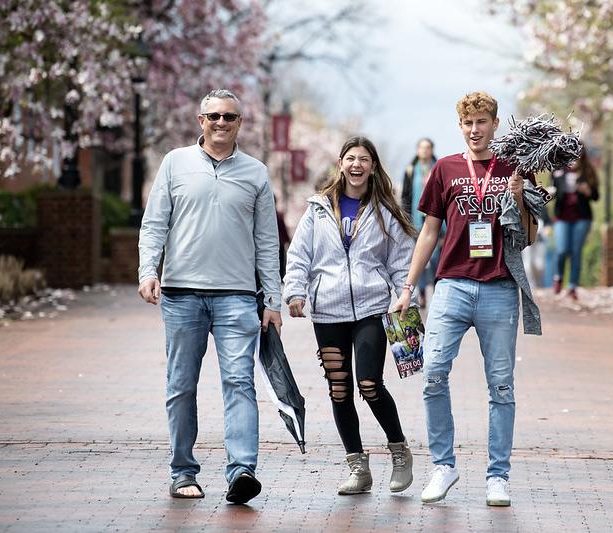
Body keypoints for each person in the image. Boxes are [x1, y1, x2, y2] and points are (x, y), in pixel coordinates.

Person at [137, 89, 282, 504]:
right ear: (201, 120)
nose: (221, 123)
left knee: (240, 382)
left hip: (237, 296)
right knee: (181, 384)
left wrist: (272, 298)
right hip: (182, 295)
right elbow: (154, 224)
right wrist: (149, 270)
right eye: (214, 116)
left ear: (240, 123)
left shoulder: (256, 172)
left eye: (230, 118)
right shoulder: (174, 163)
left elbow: (267, 241)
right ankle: (182, 471)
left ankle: (241, 472)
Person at [394, 91, 536, 507]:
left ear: (495, 124)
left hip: (499, 288)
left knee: (502, 386)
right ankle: (444, 465)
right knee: (433, 372)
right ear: (460, 127)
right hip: (451, 286)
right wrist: (408, 288)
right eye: (468, 123)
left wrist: (518, 197)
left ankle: (498, 476)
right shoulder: (445, 168)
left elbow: (528, 236)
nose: (475, 130)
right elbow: (429, 231)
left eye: (482, 122)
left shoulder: (514, 167)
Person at [283, 136, 417, 495]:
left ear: (373, 166)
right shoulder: (318, 209)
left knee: (369, 384)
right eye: (351, 158)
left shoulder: (385, 211)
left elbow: (402, 261)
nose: (357, 165)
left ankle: (399, 451)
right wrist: (295, 291)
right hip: (327, 311)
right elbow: (299, 256)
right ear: (341, 163)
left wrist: (404, 295)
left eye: (365, 159)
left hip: (372, 309)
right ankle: (358, 467)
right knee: (339, 390)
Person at [550, 147, 599, 299]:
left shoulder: (588, 172)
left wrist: (587, 191)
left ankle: (572, 287)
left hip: (582, 217)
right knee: (562, 250)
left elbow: (596, 196)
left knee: (576, 251)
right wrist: (549, 192)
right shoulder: (558, 170)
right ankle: (558, 276)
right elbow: (552, 190)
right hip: (562, 217)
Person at [401, 138, 440, 307]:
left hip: (438, 221)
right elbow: (406, 197)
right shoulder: (410, 170)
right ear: (417, 150)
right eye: (422, 148)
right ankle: (422, 293)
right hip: (416, 221)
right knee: (420, 258)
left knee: (437, 258)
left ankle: (439, 292)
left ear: (432, 150)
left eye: (428, 148)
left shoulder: (439, 168)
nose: (424, 151)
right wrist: (406, 221)